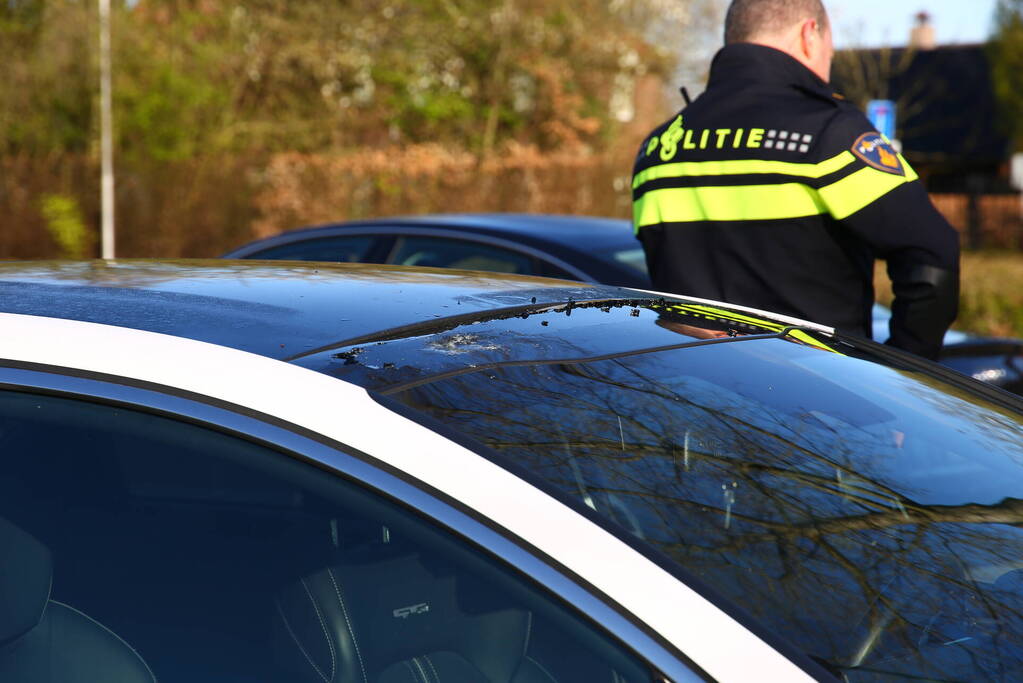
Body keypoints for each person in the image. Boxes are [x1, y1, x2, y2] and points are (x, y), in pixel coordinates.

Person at [631, 0, 960, 360]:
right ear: (810, 35)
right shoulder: (830, 135)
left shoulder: (657, 151)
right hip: (819, 404)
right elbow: (933, 254)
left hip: (688, 403)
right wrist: (902, 371)